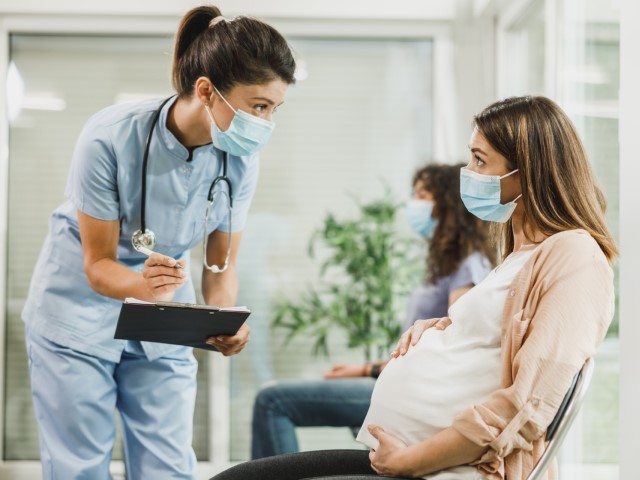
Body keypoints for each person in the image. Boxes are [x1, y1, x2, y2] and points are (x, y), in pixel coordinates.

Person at [212, 95, 616, 480]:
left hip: (445, 470)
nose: (467, 172)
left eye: (480, 160)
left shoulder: (575, 255)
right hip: (410, 458)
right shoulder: (519, 255)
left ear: (527, 172)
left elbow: (528, 405)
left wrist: (408, 461)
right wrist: (444, 327)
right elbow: (498, 339)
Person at [21, 5, 296, 479]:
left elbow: (219, 266)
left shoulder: (239, 162)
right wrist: (145, 288)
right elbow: (98, 263)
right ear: (207, 91)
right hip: (77, 312)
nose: (267, 122)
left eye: (274, 109)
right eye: (258, 106)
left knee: (167, 467)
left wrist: (222, 321)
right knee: (79, 467)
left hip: (165, 313)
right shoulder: (110, 136)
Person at [250, 163, 496, 459]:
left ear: (447, 204)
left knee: (273, 401)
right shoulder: (449, 265)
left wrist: (369, 370)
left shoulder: (468, 266)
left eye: (422, 195)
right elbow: (419, 346)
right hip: (402, 383)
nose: (414, 204)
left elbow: (452, 343)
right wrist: (366, 370)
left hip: (416, 393)